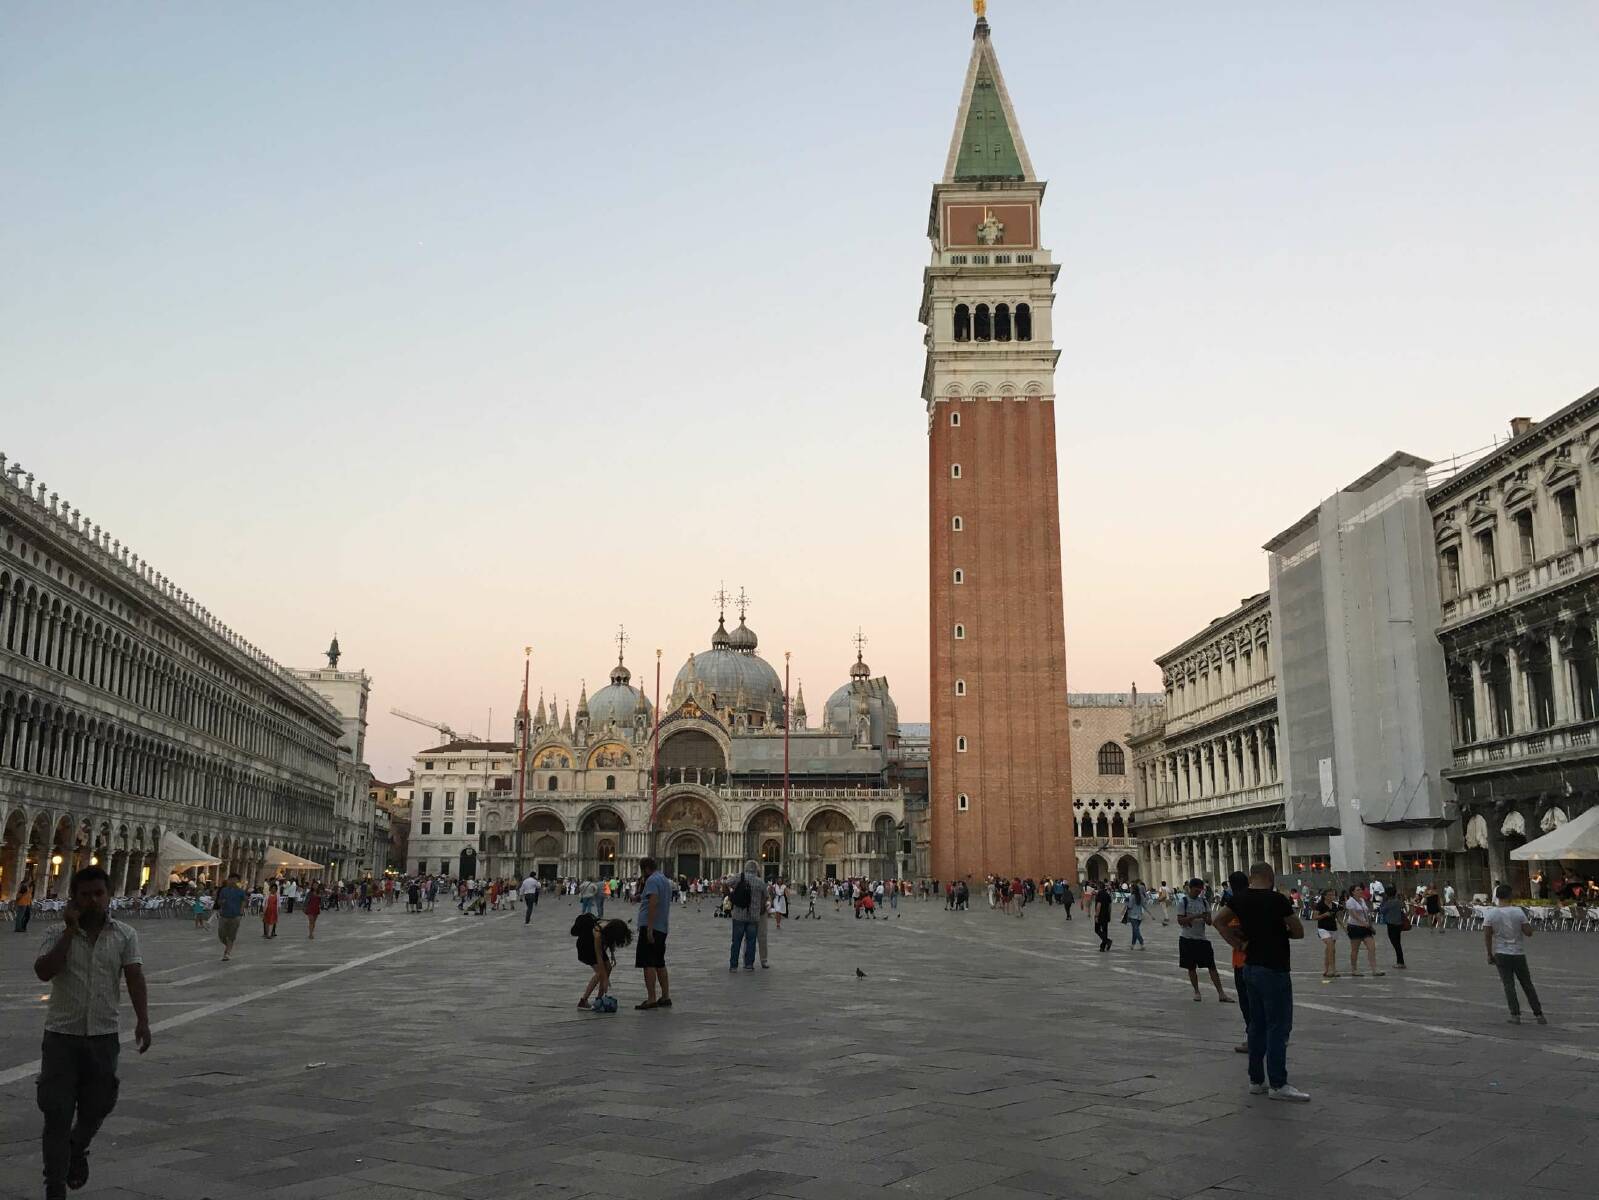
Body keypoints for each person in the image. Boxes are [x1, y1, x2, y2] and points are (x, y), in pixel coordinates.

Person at [32, 866, 152, 1200]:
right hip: (61, 1036)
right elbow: (44, 971)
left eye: (99, 893)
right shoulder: (56, 932)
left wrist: (143, 1021)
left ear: (109, 895)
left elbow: (134, 977)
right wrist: (70, 933)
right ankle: (54, 1185)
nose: (93, 900)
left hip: (103, 1035)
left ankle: (77, 1145)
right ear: (74, 898)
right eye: (85, 895)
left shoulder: (125, 934)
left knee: (99, 1105)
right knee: (56, 1113)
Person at [1213, 862, 1310, 1102]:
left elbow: (1218, 921)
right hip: (1274, 968)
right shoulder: (1277, 900)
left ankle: (1256, 1081)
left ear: (1251, 877)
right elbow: (1299, 931)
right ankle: (1278, 1083)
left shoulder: (1239, 899)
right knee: (1278, 1026)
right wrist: (1281, 932)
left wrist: (1237, 944)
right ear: (1269, 876)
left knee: (1257, 1025)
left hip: (1250, 967)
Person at [1483, 884, 1546, 1025]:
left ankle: (1515, 1015)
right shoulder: (1518, 912)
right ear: (1510, 896)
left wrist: (1489, 953)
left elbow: (1487, 935)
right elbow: (1528, 932)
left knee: (1508, 985)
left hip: (1501, 952)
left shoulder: (1490, 914)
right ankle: (1539, 1014)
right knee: (1527, 984)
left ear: (1497, 896)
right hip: (1518, 953)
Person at [1176, 879, 1231, 1003]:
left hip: (1202, 939)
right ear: (1190, 888)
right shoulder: (1183, 902)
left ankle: (1221, 993)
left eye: (1200, 890)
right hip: (1187, 939)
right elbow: (1180, 921)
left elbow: (1209, 922)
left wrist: (1206, 918)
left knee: (1212, 967)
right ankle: (1196, 991)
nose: (1198, 892)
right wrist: (1195, 916)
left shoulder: (1204, 902)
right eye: (1196, 890)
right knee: (1191, 968)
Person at [571, 909, 632, 1009]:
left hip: (594, 945)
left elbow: (610, 940)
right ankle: (583, 1001)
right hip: (586, 947)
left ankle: (599, 999)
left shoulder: (609, 926)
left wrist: (612, 954)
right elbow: (598, 956)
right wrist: (605, 979)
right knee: (600, 973)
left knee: (608, 967)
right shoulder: (597, 933)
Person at [635, 858, 672, 1009]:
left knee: (648, 963)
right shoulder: (664, 880)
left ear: (646, 869)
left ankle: (651, 999)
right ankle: (665, 996)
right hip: (662, 926)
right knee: (659, 962)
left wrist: (649, 929)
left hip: (651, 927)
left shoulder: (651, 880)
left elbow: (653, 902)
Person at [1343, 885, 1385, 977]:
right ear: (1353, 892)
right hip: (1354, 927)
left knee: (1372, 947)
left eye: (1360, 890)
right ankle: (1354, 969)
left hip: (1366, 927)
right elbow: (1353, 914)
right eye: (1358, 890)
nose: (1360, 891)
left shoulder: (1362, 900)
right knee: (1355, 949)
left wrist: (1370, 925)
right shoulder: (1350, 901)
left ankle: (1374, 969)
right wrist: (1362, 923)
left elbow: (1366, 913)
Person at [214, 874, 247, 963]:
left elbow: (244, 901)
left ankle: (227, 952)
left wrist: (241, 910)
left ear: (238, 881)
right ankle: (228, 945)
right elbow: (218, 901)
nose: (232, 881)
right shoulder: (224, 890)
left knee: (231, 935)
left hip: (235, 916)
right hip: (224, 915)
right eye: (230, 879)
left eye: (234, 879)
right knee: (221, 934)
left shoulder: (240, 891)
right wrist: (222, 902)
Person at [1312, 888, 1340, 979]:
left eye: (1333, 895)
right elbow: (1314, 917)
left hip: (1333, 929)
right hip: (1323, 929)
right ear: (1325, 896)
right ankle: (1333, 969)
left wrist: (1344, 927)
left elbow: (1338, 918)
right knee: (1331, 947)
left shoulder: (1334, 905)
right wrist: (1324, 915)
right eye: (1330, 895)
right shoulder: (1320, 905)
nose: (1332, 896)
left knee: (1330, 950)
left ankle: (1327, 969)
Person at [1377, 890, 1409, 969]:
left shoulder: (1388, 903)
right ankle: (1400, 961)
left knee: (1395, 943)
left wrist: (1383, 901)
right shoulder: (1398, 901)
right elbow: (1403, 906)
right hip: (1399, 924)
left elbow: (1382, 911)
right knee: (1398, 943)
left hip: (1391, 925)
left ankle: (1400, 962)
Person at [1093, 882, 1114, 951]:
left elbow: (1099, 905)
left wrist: (1096, 915)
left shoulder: (1099, 894)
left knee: (1097, 929)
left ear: (1099, 887)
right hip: (1106, 915)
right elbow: (1110, 906)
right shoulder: (1107, 894)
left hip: (1100, 915)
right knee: (1105, 931)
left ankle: (1107, 941)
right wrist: (1109, 915)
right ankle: (1102, 947)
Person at [1127, 881, 1147, 949]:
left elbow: (1130, 906)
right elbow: (1144, 905)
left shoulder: (1132, 897)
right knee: (1135, 930)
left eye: (1131, 888)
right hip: (1139, 916)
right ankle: (1133, 944)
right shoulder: (1141, 896)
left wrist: (1126, 903)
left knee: (1136, 930)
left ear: (1133, 889)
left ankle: (1141, 942)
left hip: (1133, 916)